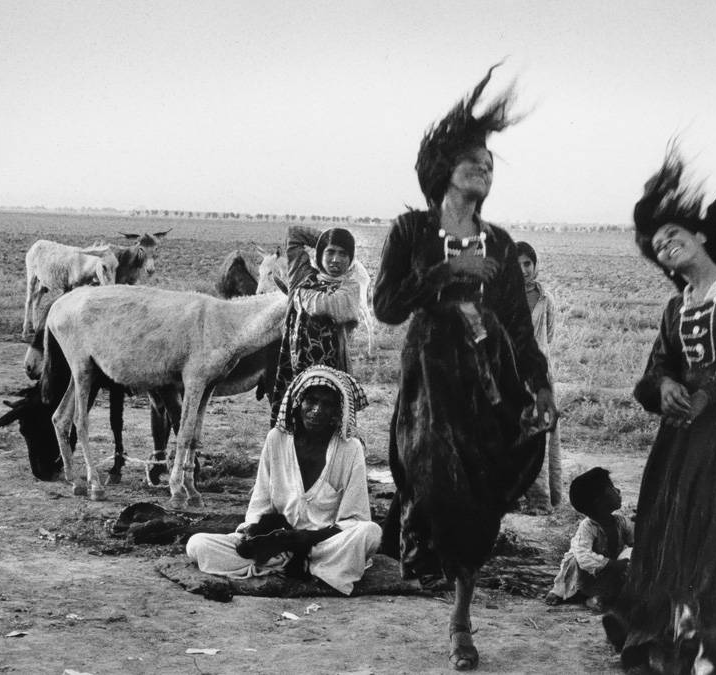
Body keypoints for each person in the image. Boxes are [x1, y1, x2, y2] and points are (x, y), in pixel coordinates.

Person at [373, 65, 557, 671]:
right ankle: (421, 533)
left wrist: (539, 389)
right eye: (473, 159)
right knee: (431, 476)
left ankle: (461, 618)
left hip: (488, 385)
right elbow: (385, 307)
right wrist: (446, 274)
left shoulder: (501, 243)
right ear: (442, 170)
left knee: (480, 496)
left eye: (489, 161)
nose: (485, 166)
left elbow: (522, 332)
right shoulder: (411, 231)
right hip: (429, 384)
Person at [602, 147, 716, 675]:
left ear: (700, 236)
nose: (667, 246)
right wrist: (664, 390)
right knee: (669, 535)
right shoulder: (674, 308)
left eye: (674, 235)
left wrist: (705, 393)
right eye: (658, 247)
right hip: (678, 444)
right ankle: (675, 641)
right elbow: (654, 370)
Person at [187, 366, 381, 595]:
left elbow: (356, 517)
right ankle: (307, 568)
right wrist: (257, 537)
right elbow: (260, 504)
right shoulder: (276, 440)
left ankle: (296, 564)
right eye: (311, 400)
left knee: (370, 532)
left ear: (338, 411)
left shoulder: (350, 448)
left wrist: (306, 538)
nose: (317, 410)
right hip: (276, 543)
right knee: (197, 545)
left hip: (324, 544)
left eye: (327, 404)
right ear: (299, 402)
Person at [269, 226, 363, 426]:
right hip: (293, 366)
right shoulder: (302, 275)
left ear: (351, 257)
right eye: (330, 252)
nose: (336, 259)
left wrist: (302, 295)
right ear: (320, 254)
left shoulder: (350, 287)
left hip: (331, 369)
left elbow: (329, 306)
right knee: (294, 419)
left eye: (343, 253)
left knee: (325, 420)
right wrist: (326, 239)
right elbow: (293, 234)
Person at [545, 468, 633, 611]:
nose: (618, 491)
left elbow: (635, 540)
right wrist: (613, 565)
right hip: (586, 571)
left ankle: (595, 599)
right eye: (611, 488)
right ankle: (559, 591)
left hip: (606, 572)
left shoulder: (621, 521)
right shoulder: (588, 527)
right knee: (573, 561)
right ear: (600, 502)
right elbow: (584, 557)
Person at [517, 240, 562, 511]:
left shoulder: (547, 300)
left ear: (535, 266)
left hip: (540, 379)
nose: (522, 270)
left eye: (527, 264)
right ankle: (512, 494)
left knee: (539, 435)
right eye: (517, 265)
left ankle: (540, 498)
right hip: (511, 377)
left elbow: (549, 337)